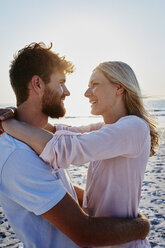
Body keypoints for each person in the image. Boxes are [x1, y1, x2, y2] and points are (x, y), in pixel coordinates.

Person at [0, 43, 150, 248]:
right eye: (61, 82)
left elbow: (64, 145)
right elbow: (64, 135)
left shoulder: (132, 127)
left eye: (94, 84)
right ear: (37, 84)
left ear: (119, 87)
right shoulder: (17, 154)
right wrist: (12, 119)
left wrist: (10, 122)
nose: (82, 92)